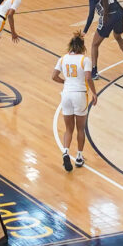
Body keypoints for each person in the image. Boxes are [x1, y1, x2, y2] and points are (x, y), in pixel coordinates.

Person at [52, 32, 93, 173]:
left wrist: (65, 82)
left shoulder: (63, 59)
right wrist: (94, 93)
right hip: (80, 95)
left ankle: (65, 152)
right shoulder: (85, 60)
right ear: (83, 47)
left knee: (68, 129)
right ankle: (79, 157)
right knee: (81, 129)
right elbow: (88, 78)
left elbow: (54, 76)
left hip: (66, 95)